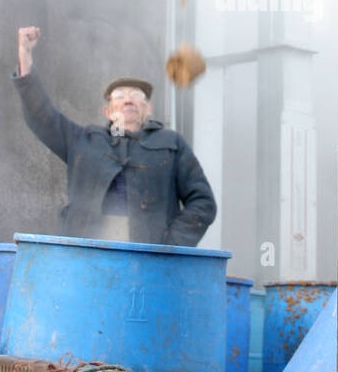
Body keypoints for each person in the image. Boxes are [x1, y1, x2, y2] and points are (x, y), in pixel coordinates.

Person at [13, 26, 217, 243]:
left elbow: (203, 202)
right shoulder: (83, 141)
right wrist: (25, 56)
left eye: (136, 95)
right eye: (119, 96)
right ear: (107, 111)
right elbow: (42, 116)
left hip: (148, 261)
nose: (128, 100)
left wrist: (171, 245)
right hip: (86, 256)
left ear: (149, 109)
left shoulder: (171, 144)